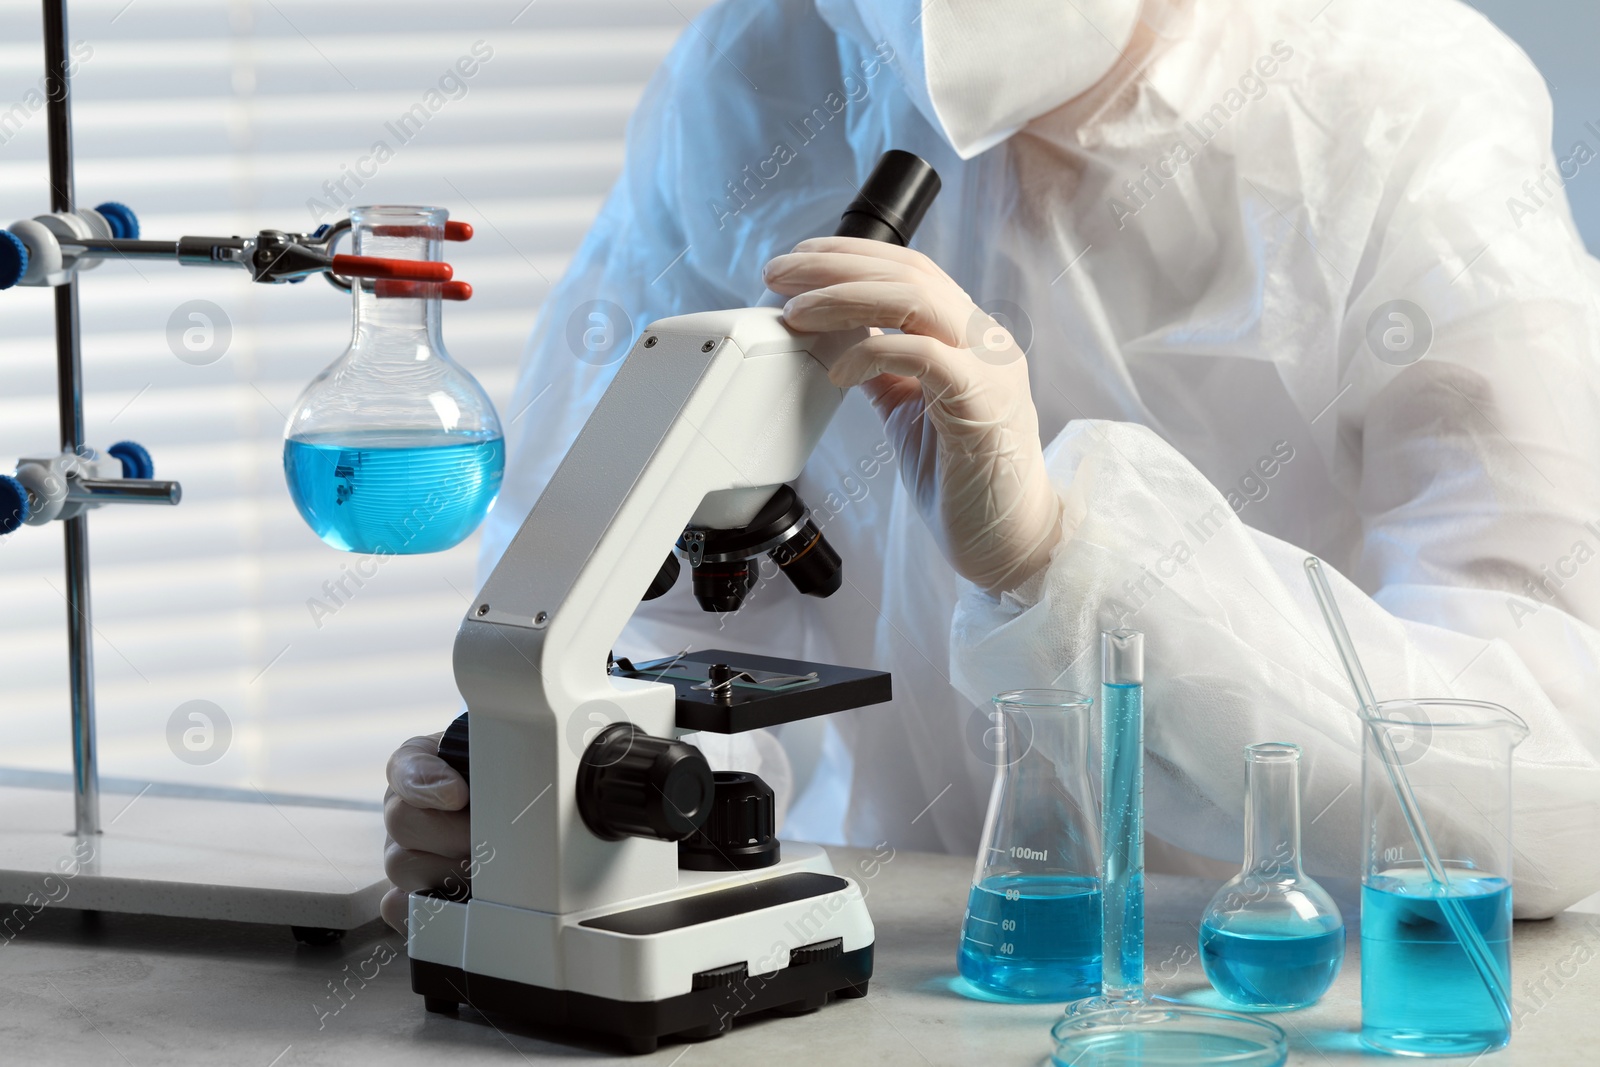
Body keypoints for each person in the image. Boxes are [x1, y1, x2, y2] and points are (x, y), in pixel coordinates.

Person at [382, 0, 1600, 932]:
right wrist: (553, 794)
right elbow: (628, 599)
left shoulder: (1398, 102)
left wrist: (1063, 560)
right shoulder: (762, 68)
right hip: (872, 960)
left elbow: (1548, 788)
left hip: (1265, 979)